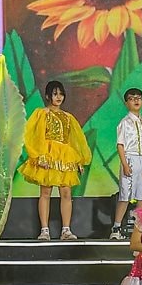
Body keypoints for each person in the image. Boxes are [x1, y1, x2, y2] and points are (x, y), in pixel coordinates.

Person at [22, 80, 91, 240]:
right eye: (55, 94)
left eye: (61, 94)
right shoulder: (42, 113)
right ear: (48, 96)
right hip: (47, 155)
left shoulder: (68, 117)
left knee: (66, 192)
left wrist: (79, 160)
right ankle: (44, 230)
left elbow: (76, 139)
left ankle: (66, 230)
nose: (58, 97)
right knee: (46, 192)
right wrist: (38, 156)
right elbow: (32, 135)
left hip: (65, 156)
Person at [109, 89, 142, 239]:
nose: (136, 100)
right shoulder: (125, 123)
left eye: (138, 98)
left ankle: (140, 229)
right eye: (131, 98)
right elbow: (120, 145)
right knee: (125, 195)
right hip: (130, 159)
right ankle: (116, 228)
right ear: (126, 103)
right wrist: (125, 164)